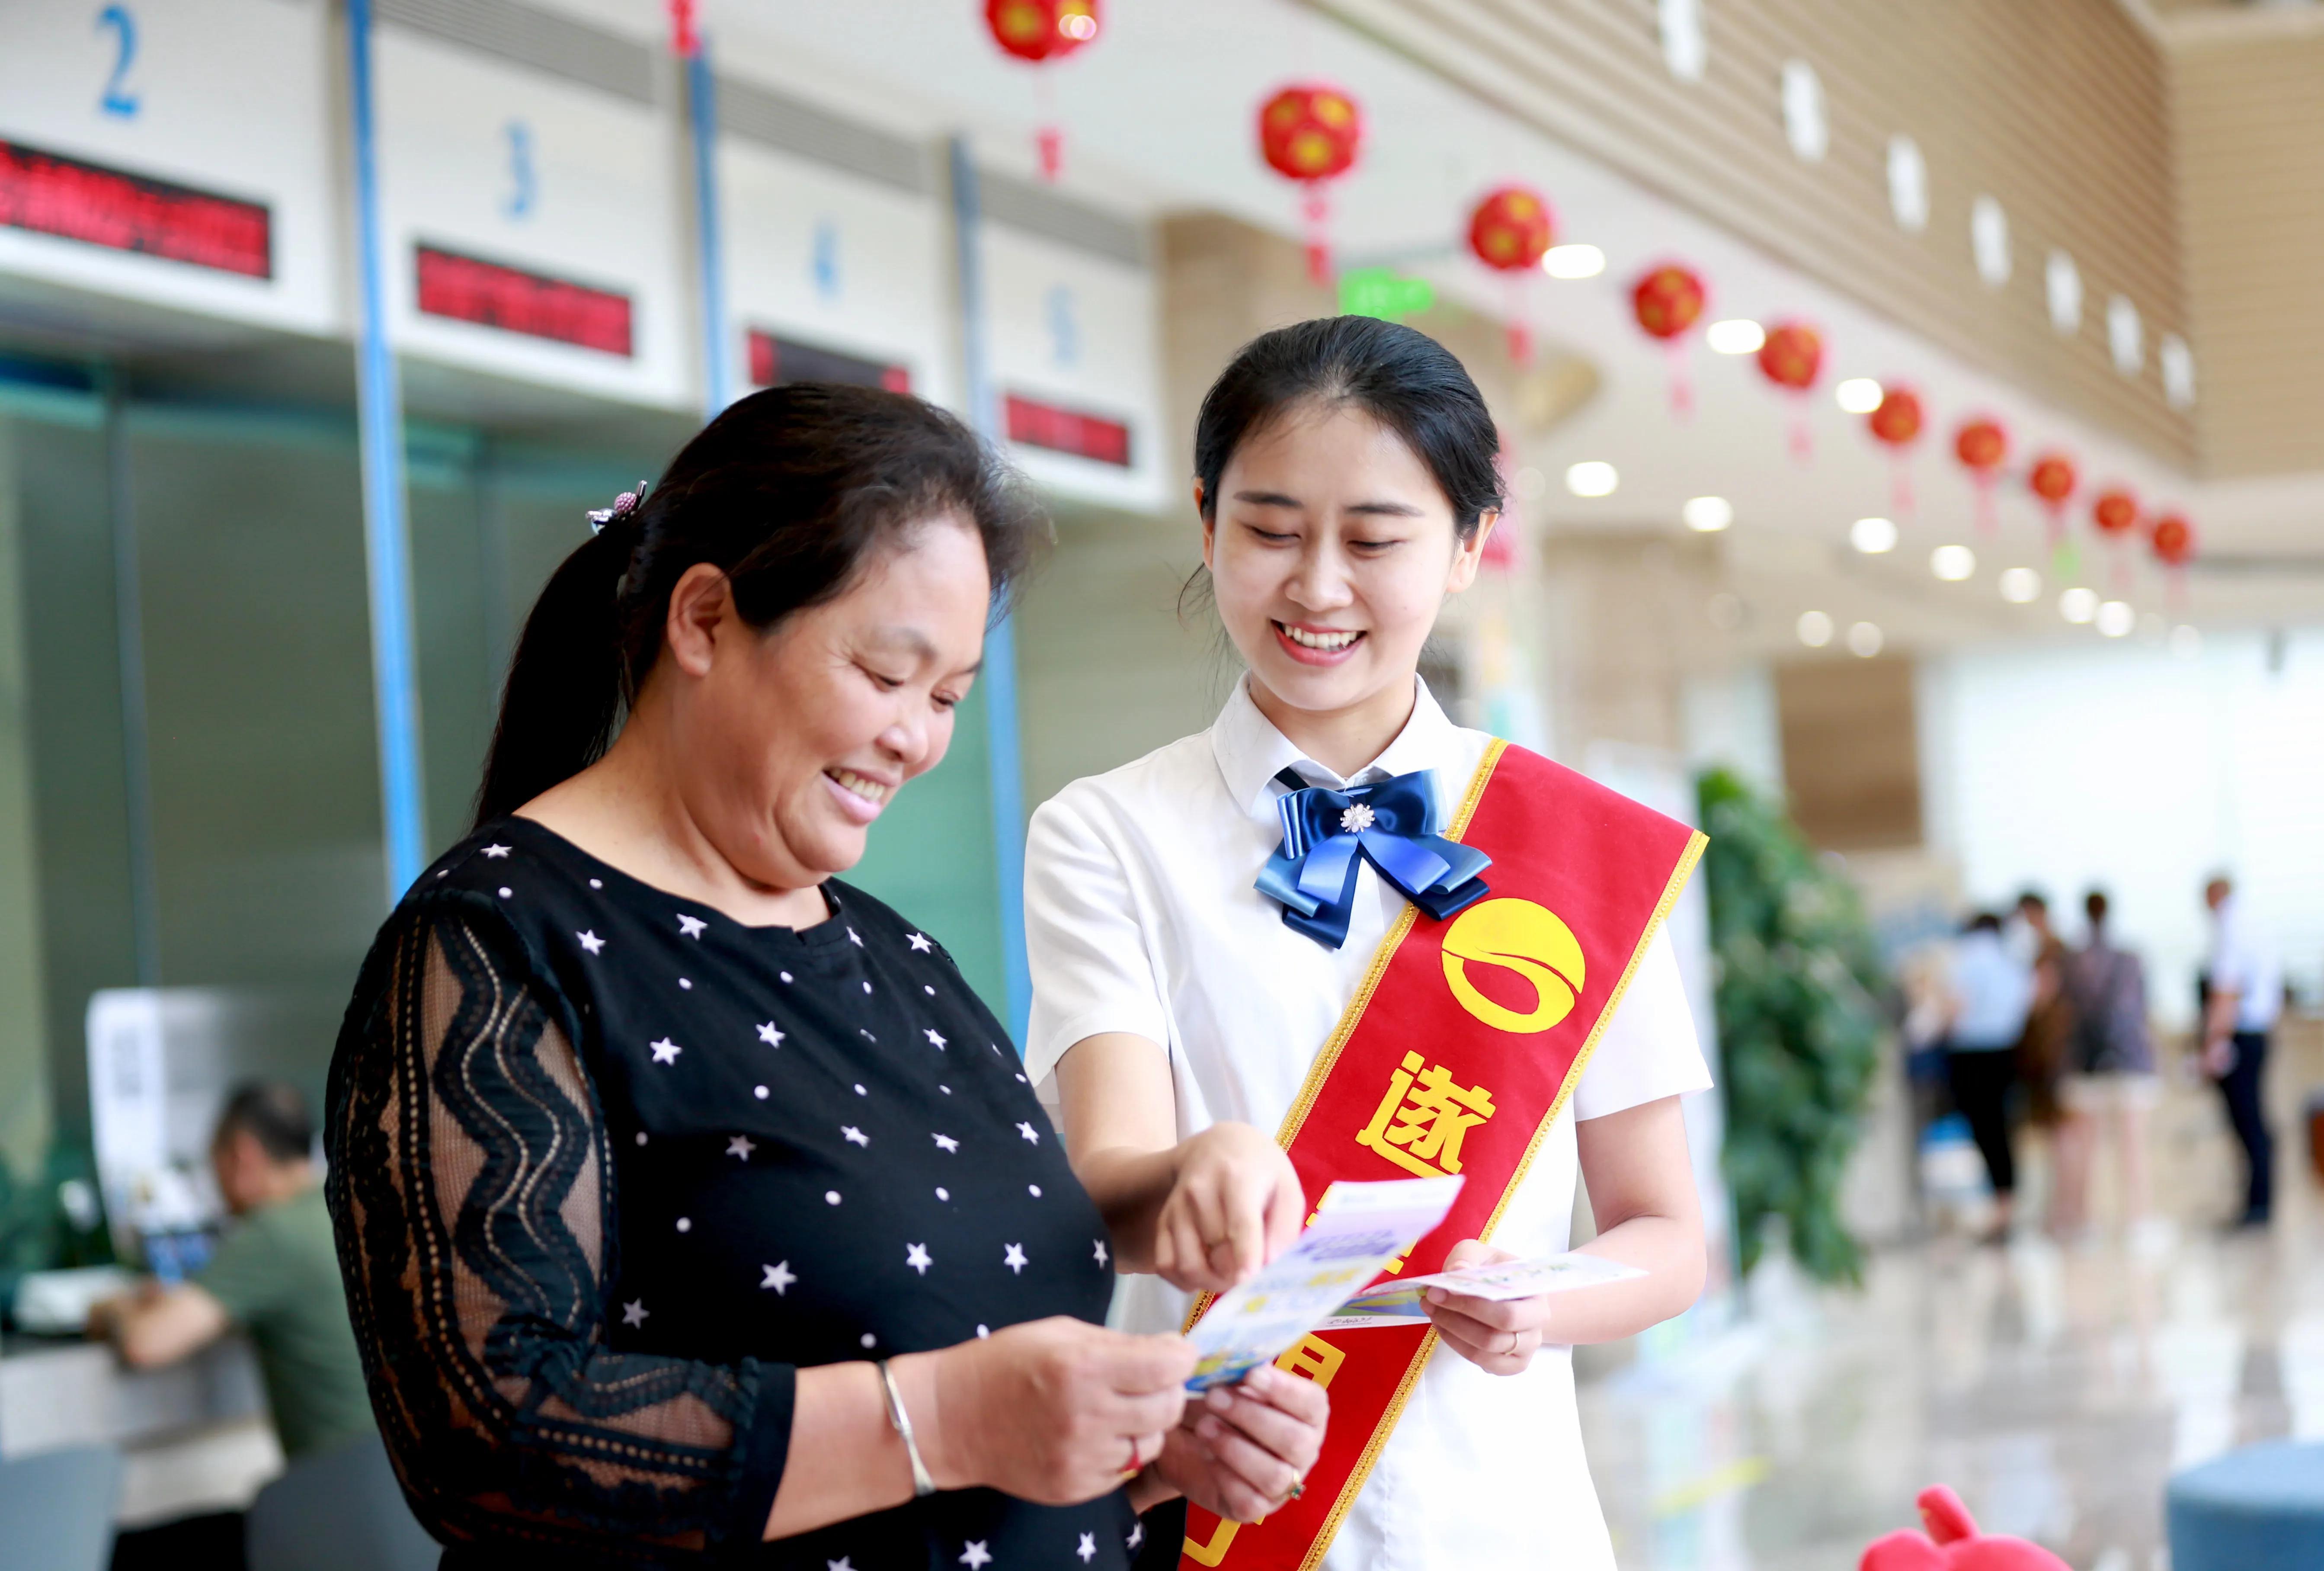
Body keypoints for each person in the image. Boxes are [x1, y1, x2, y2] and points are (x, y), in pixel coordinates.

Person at [323, 385, 1323, 1570]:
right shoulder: (493, 943)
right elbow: (489, 1439)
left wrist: (1144, 1455)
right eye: (885, 674)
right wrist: (946, 1422)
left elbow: (968, 1336)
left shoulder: (898, 958)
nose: (918, 739)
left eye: (948, 696)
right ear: (703, 620)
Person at [1025, 317, 1712, 1571]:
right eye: (1272, 532)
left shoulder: (1579, 848)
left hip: (1506, 1522)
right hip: (1228, 1507)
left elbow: (1666, 1233)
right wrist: (1195, 1177)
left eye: (1376, 540)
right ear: (1206, 521)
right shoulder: (1107, 834)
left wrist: (1540, 1302)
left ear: (1468, 545)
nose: (1318, 587)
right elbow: (1105, 1174)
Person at [91, 1081, 378, 1571]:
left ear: (242, 1156)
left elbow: (146, 1343)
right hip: (395, 1501)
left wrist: (113, 1308)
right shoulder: (342, 1211)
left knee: (124, 1548)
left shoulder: (274, 1232)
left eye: (214, 1165)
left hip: (336, 1509)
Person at [2052, 891, 2158, 1237]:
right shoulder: (2130, 958)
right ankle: (2138, 1222)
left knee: (2086, 1148)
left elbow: (2061, 1011)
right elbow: (2143, 1011)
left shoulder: (2070, 961)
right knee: (2134, 1146)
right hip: (2129, 1062)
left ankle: (2085, 1223)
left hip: (2085, 1064)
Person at [1946, 912, 2032, 1242]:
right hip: (2006, 1052)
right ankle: (2005, 1205)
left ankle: (2000, 1208)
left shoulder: (1968, 957)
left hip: (1972, 1054)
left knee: (1986, 1131)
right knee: (2001, 1130)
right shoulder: (2010, 961)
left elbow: (1956, 1006)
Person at [2201, 875, 2279, 1227]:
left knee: (2247, 1122)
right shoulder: (2255, 924)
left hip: (2240, 1037)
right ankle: (2258, 1202)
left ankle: (2257, 1207)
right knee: (2255, 1122)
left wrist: (2213, 1044)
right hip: (2257, 1034)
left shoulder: (2231, 927)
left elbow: (2227, 991)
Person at [2012, 890, 2072, 1138]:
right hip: (2046, 1046)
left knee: (2058, 1123)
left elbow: (2040, 997)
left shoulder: (2051, 949)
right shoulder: (2045, 948)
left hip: (2051, 1046)